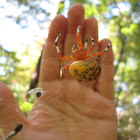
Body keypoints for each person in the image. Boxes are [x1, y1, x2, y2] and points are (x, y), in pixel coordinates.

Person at [0, 4, 117, 140]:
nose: (75, 50)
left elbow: (70, 56)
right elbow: (71, 55)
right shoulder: (81, 55)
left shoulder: (76, 58)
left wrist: (69, 40)